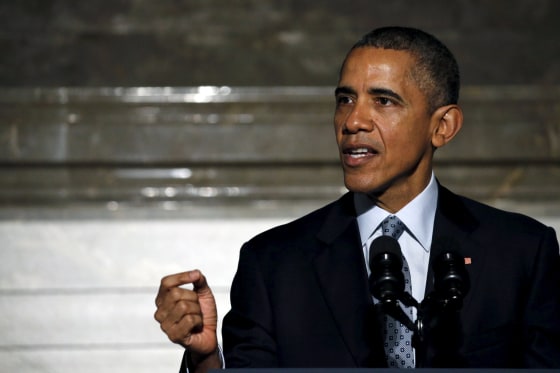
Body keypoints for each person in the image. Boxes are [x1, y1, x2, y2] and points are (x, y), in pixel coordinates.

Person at [154, 26, 560, 371]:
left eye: (383, 101)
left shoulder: (522, 252)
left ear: (443, 126)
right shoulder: (273, 263)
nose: (353, 121)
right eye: (345, 99)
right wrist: (206, 358)